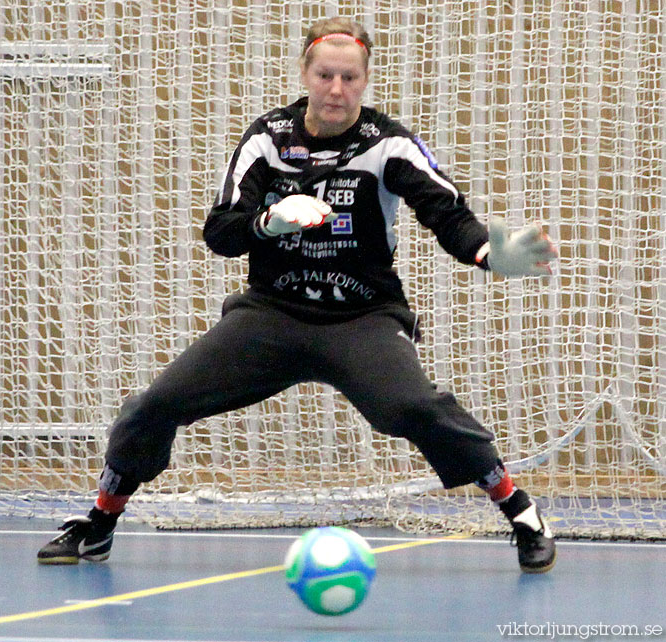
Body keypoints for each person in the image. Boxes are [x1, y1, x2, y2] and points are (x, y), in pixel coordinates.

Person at [37, 17, 558, 573]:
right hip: (271, 316)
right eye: (326, 75)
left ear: (366, 79)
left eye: (350, 78)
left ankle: (521, 513)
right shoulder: (268, 138)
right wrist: (268, 222)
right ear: (305, 73)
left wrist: (489, 253)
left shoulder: (388, 146)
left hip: (362, 318)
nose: (337, 89)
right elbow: (220, 232)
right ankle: (100, 521)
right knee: (155, 404)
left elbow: (447, 214)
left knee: (413, 407)